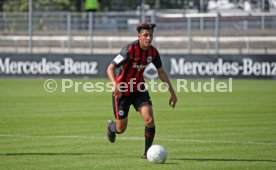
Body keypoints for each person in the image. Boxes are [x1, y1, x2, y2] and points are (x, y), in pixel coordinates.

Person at [106, 22, 177, 159]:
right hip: (122, 91)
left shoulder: (153, 52)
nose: (149, 38)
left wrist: (172, 93)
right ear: (139, 36)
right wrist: (115, 85)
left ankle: (147, 153)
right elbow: (110, 68)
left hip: (139, 89)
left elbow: (161, 72)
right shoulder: (129, 50)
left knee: (149, 120)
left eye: (150, 35)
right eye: (145, 35)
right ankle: (111, 126)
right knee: (121, 129)